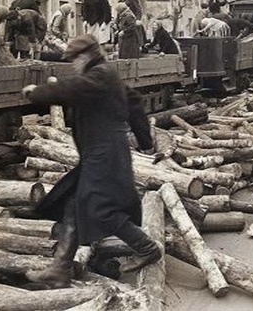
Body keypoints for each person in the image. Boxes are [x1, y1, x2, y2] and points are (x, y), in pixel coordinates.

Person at [21, 35, 160, 289]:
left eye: (74, 60)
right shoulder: (106, 75)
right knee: (74, 203)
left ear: (84, 56)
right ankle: (60, 270)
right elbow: (135, 102)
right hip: (101, 152)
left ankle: (146, 247)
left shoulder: (100, 75)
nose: (73, 65)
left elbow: (72, 88)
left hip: (104, 153)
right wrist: (145, 141)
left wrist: (38, 93)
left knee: (100, 208)